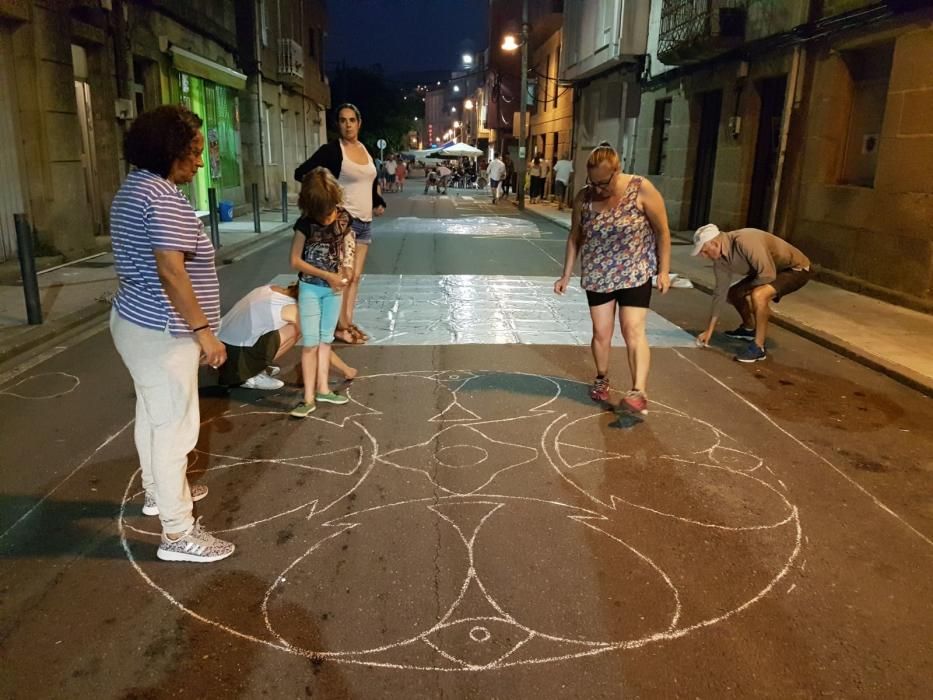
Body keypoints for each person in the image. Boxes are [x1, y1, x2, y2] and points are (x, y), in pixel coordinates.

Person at [109, 105, 234, 563]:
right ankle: (178, 534)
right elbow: (172, 272)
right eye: (193, 153)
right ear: (169, 152)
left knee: (153, 416)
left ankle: (159, 492)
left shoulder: (133, 188)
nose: (200, 162)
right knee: (175, 429)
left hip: (136, 322)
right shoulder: (160, 196)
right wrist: (205, 333)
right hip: (163, 331)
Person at [554, 144, 672, 414]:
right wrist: (566, 275)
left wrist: (664, 270)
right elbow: (575, 237)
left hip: (635, 271)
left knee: (633, 329)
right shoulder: (584, 198)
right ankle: (601, 376)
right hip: (598, 274)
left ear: (617, 170)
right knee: (601, 333)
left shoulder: (641, 189)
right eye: (592, 182)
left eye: (603, 183)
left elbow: (662, 231)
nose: (597, 188)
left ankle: (639, 390)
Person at [295, 103, 386, 346]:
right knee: (344, 276)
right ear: (338, 124)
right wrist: (325, 202)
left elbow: (369, 181)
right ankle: (339, 327)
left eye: (352, 120)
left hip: (365, 222)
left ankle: (347, 321)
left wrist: (378, 201)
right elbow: (302, 173)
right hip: (345, 223)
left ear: (359, 122)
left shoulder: (364, 150)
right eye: (343, 120)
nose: (348, 125)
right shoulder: (333, 151)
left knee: (355, 276)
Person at [288, 168, 356, 417]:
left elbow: (349, 243)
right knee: (310, 343)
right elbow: (295, 260)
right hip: (311, 288)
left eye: (330, 212)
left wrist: (347, 270)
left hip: (334, 290)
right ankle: (307, 398)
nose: (327, 219)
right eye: (322, 214)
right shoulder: (305, 224)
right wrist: (328, 275)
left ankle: (324, 388)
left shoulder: (343, 217)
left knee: (326, 339)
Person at [693, 224, 812, 363]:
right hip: (769, 269)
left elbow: (767, 275)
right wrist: (709, 330)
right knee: (733, 292)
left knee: (759, 295)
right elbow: (719, 294)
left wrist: (746, 289)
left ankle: (758, 347)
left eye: (704, 251)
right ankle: (748, 328)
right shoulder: (720, 260)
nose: (703, 256)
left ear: (714, 243)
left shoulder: (745, 241)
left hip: (795, 269)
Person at [216, 283, 357, 390]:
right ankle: (250, 375)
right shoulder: (294, 310)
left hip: (221, 350)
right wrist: (346, 369)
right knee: (298, 330)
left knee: (296, 326)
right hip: (234, 364)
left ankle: (255, 367)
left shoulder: (272, 288)